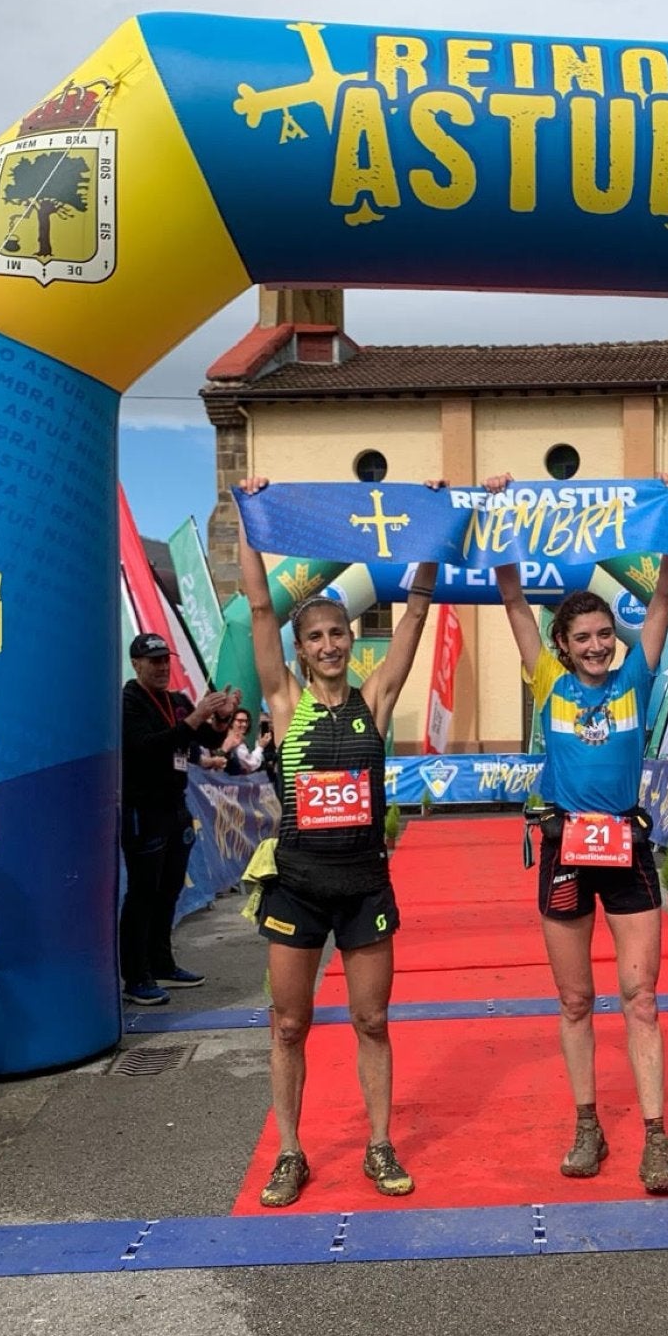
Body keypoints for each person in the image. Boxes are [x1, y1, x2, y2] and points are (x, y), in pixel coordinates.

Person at [237, 476, 438, 1208]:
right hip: (297, 885)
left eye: (337, 634)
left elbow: (416, 613)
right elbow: (260, 606)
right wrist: (246, 515)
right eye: (315, 637)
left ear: (353, 639)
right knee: (289, 1024)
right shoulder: (284, 703)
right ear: (300, 648)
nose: (327, 644)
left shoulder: (373, 699)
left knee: (371, 1020)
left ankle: (379, 1145)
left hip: (363, 886)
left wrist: (433, 528)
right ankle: (291, 1152)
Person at [487, 469, 668, 1195]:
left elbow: (666, 593)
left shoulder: (637, 675)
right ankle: (587, 1125)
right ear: (563, 648)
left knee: (641, 996)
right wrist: (501, 506)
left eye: (606, 633)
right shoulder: (548, 681)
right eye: (585, 638)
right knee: (576, 1001)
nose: (599, 645)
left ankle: (657, 1140)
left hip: (628, 849)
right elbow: (511, 595)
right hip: (565, 851)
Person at [120, 632, 238, 1007]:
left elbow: (203, 738)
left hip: (175, 806)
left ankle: (162, 963)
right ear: (136, 663)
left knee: (169, 890)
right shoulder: (129, 701)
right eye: (153, 661)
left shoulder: (177, 700)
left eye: (164, 660)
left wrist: (221, 717)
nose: (161, 667)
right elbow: (145, 748)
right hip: (144, 809)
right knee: (143, 893)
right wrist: (197, 718)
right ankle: (136, 976)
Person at [220, 706, 270, 775]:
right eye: (240, 721)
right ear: (231, 722)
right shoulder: (234, 741)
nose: (244, 724)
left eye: (246, 721)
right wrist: (261, 746)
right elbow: (251, 764)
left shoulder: (239, 739)